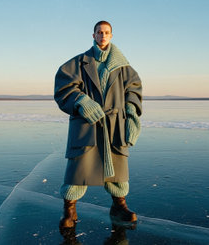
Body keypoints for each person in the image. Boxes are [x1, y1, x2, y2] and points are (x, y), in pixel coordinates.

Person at [54, 20, 143, 229]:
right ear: (93, 35)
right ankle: (69, 209)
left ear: (111, 36)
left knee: (117, 172)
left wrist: (131, 116)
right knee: (79, 170)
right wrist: (81, 101)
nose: (103, 35)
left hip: (114, 125)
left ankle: (119, 206)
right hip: (87, 124)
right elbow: (63, 86)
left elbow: (134, 90)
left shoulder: (124, 67)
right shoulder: (78, 63)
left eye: (107, 32)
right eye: (99, 32)